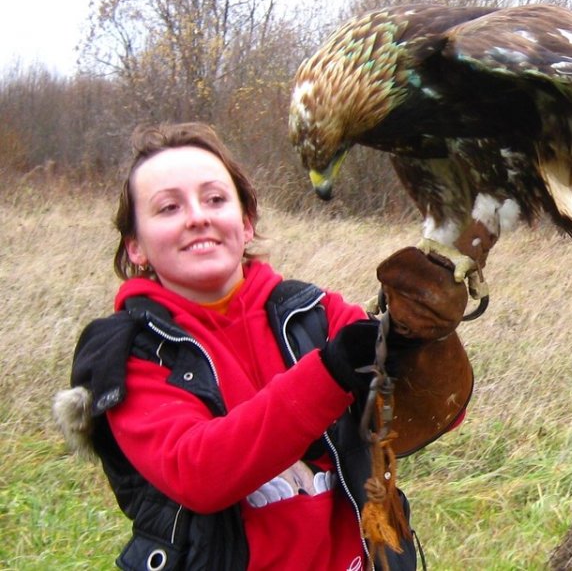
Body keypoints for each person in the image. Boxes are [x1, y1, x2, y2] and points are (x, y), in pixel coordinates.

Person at [54, 122, 472, 571]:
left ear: (246, 222)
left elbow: (431, 412)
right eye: (169, 207)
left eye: (215, 199)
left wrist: (427, 339)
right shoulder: (133, 352)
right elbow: (198, 474)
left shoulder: (315, 311)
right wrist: (329, 374)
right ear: (135, 246)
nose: (198, 216)